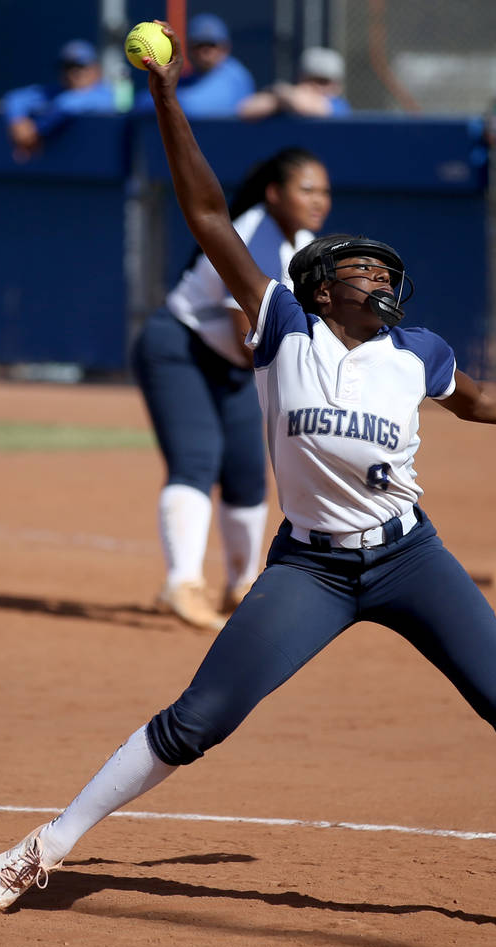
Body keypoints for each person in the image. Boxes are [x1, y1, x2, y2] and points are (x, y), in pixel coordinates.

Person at [0, 24, 496, 931]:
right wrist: (164, 93)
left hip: (410, 560)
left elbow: (478, 400)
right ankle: (44, 847)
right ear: (321, 288)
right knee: (195, 722)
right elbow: (206, 217)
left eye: (389, 270)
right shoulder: (285, 325)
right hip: (310, 571)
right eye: (363, 268)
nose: (381, 276)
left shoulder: (418, 352)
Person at [132, 146, 332, 630]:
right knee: (198, 459)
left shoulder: (299, 241)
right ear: (274, 193)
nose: (318, 199)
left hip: (236, 360)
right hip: (181, 347)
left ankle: (242, 586)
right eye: (306, 189)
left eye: (324, 190)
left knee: (245, 472)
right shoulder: (255, 233)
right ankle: (182, 584)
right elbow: (248, 334)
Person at [3, 40, 119, 161]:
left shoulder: (107, 94)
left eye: (80, 66)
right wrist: (18, 120)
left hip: (98, 166)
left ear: (96, 69)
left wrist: (36, 130)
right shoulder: (55, 93)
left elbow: (69, 105)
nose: (73, 73)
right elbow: (15, 98)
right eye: (67, 67)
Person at [133, 13, 254, 118]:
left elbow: (190, 107)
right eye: (199, 45)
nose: (204, 51)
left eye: (211, 45)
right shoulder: (191, 78)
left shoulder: (234, 75)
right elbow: (140, 103)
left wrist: (161, 99)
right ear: (189, 49)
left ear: (225, 48)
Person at [238, 47, 351, 121]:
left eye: (323, 82)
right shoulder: (284, 100)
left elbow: (315, 109)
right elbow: (246, 110)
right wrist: (282, 98)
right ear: (300, 79)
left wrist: (284, 93)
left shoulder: (338, 105)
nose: (315, 86)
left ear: (337, 86)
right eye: (311, 80)